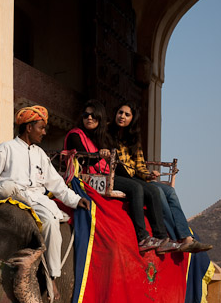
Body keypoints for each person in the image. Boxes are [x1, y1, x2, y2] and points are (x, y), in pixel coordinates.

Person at [0, 105, 90, 298]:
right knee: (5, 187)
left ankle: (52, 277)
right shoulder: (6, 148)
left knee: (50, 221)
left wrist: (76, 199)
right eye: (41, 127)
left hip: (36, 200)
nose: (44, 132)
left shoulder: (40, 154)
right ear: (29, 128)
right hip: (12, 195)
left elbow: (57, 184)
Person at [65, 100, 173, 253]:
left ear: (100, 118)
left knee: (151, 190)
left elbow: (118, 165)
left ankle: (162, 238)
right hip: (87, 177)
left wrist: (140, 178)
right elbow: (85, 158)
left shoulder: (99, 137)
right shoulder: (76, 135)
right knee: (136, 188)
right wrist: (100, 155)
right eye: (86, 115)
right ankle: (142, 237)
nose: (89, 118)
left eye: (93, 116)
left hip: (106, 176)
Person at [108, 101, 211, 253]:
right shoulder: (107, 134)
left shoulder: (134, 139)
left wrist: (149, 174)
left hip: (136, 177)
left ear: (132, 119)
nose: (122, 116)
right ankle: (172, 237)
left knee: (170, 192)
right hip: (121, 177)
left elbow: (140, 166)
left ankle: (187, 238)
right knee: (158, 192)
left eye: (127, 114)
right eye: (120, 113)